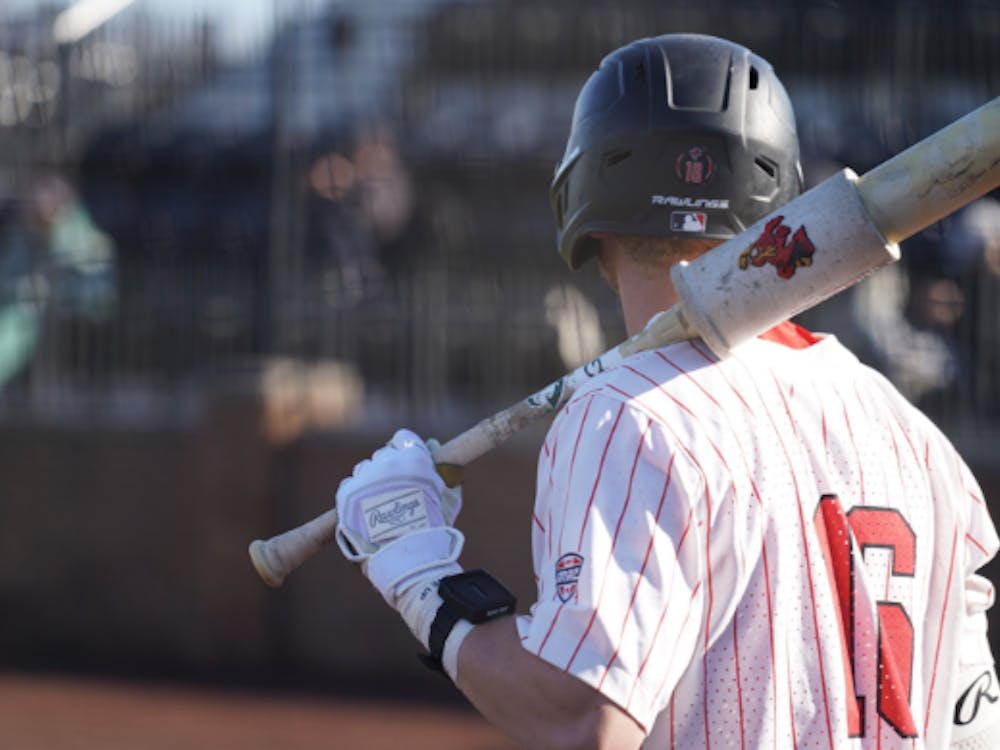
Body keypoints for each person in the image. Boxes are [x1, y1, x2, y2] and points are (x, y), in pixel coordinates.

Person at [331, 34, 1000, 748]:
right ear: (783, 198)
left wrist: (422, 577)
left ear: (585, 198)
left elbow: (584, 718)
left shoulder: (626, 416)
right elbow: (975, 725)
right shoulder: (912, 434)